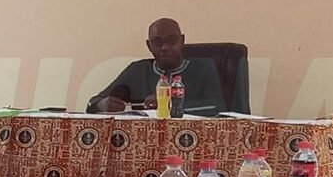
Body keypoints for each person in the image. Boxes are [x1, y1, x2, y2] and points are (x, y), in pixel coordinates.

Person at [86, 18, 229, 114]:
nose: (165, 47)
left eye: (172, 41)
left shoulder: (203, 69)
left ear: (182, 41)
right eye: (158, 42)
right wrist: (101, 105)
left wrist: (170, 105)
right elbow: (93, 103)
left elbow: (218, 108)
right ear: (149, 46)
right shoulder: (137, 70)